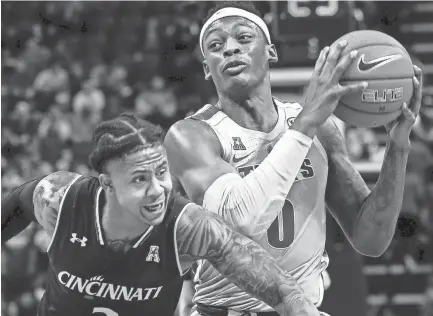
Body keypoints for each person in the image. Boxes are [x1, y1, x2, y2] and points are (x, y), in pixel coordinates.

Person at [164, 2, 423, 316]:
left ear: (270, 52)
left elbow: (371, 240)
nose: (230, 48)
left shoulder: (317, 127)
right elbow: (239, 219)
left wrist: (397, 147)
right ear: (207, 68)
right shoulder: (191, 135)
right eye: (216, 46)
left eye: (244, 38)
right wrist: (308, 121)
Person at [1, 113, 321, 316]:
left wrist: (300, 307)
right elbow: (16, 203)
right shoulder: (61, 198)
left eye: (162, 172)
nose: (158, 189)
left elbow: (283, 291)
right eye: (140, 179)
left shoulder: (186, 226)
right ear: (107, 184)